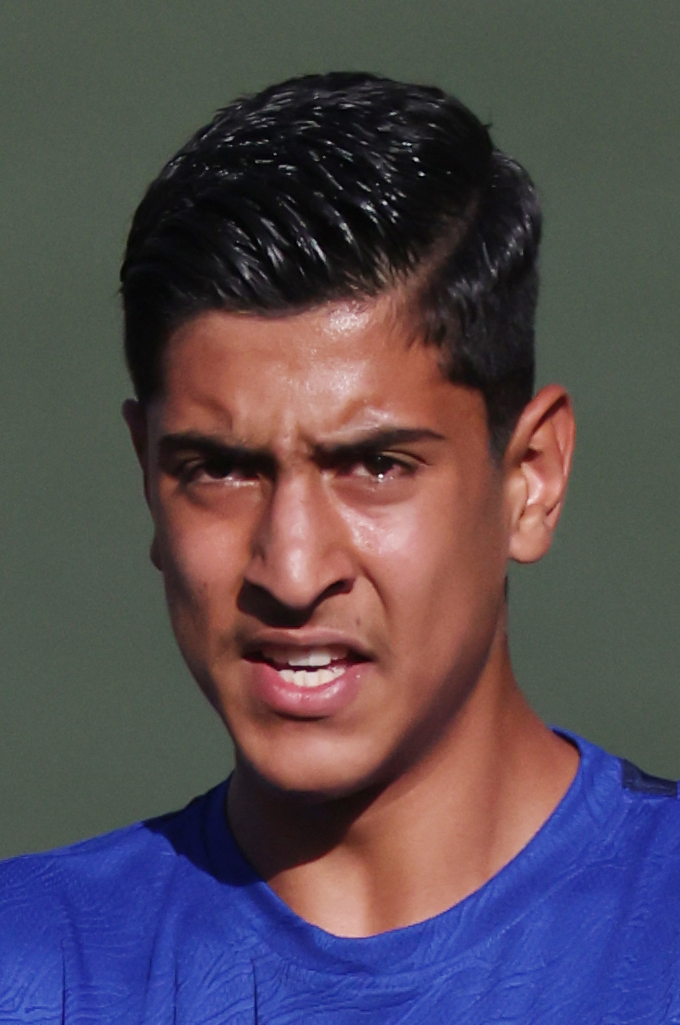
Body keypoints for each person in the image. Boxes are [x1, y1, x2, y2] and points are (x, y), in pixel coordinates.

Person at [1, 72, 678, 1024]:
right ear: (146, 475)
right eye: (220, 469)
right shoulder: (30, 967)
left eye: (376, 466)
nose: (293, 571)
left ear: (531, 478)